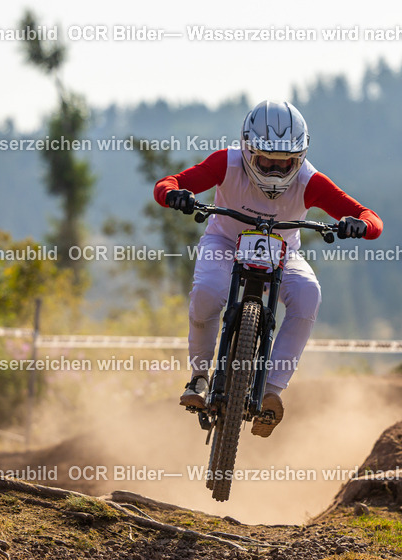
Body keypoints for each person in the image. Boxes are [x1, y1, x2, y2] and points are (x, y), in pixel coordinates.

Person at [154, 100, 382, 437]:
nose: (275, 170)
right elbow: (167, 184)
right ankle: (199, 376)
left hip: (283, 252)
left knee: (308, 294)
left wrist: (357, 225)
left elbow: (371, 219)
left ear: (300, 157)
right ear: (248, 150)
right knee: (207, 292)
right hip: (225, 243)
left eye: (285, 163)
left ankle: (272, 388)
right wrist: (177, 195)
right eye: (266, 161)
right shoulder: (226, 162)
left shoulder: (310, 180)